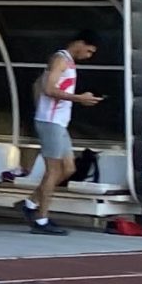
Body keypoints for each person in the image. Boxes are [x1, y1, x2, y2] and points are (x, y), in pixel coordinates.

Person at [17, 30, 102, 236]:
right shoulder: (60, 60)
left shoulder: (67, 62)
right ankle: (41, 219)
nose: (88, 56)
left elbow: (37, 84)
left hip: (58, 122)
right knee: (53, 171)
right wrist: (79, 99)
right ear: (80, 43)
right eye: (88, 51)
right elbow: (48, 88)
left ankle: (30, 203)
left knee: (69, 168)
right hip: (51, 122)